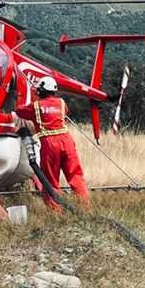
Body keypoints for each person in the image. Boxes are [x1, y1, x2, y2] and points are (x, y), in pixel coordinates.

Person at [14, 76, 90, 209]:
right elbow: (64, 112)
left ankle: (55, 211)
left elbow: (20, 111)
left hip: (50, 144)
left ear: (40, 90)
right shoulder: (61, 103)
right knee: (75, 176)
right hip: (67, 141)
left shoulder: (36, 106)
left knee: (50, 179)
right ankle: (85, 207)